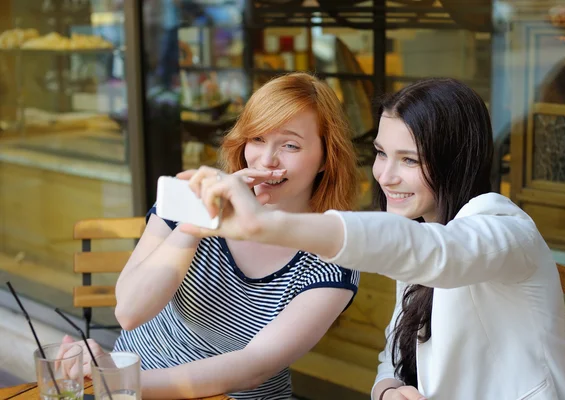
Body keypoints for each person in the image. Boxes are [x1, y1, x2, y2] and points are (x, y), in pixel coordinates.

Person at [180, 78, 565, 400]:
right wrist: (388, 389)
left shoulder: (504, 232)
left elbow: (436, 253)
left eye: (409, 159)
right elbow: (394, 354)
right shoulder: (424, 230)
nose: (385, 175)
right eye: (381, 153)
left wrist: (265, 224)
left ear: (454, 160)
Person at [60, 72, 361, 400]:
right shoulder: (189, 197)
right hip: (133, 383)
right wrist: (195, 224)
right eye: (257, 139)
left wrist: (121, 381)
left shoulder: (332, 256)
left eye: (290, 145)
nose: (266, 159)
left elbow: (253, 366)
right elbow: (130, 312)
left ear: (324, 159)